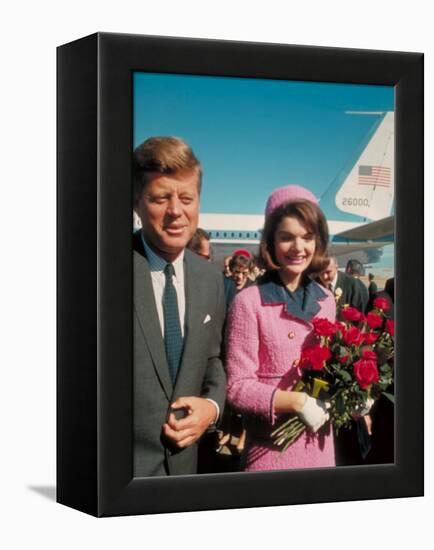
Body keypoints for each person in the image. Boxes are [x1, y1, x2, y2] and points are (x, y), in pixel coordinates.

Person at [225, 184, 336, 472]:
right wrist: (296, 402)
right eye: (286, 238)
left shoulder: (326, 301)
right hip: (270, 452)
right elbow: (237, 387)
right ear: (271, 242)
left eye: (307, 237)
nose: (298, 248)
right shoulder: (249, 302)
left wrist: (358, 392)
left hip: (321, 447)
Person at [133, 136, 226, 477]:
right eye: (160, 198)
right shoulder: (101, 267)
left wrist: (212, 408)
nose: (176, 210)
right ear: (136, 202)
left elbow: (213, 358)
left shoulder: (210, 278)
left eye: (186, 198)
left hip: (186, 472)